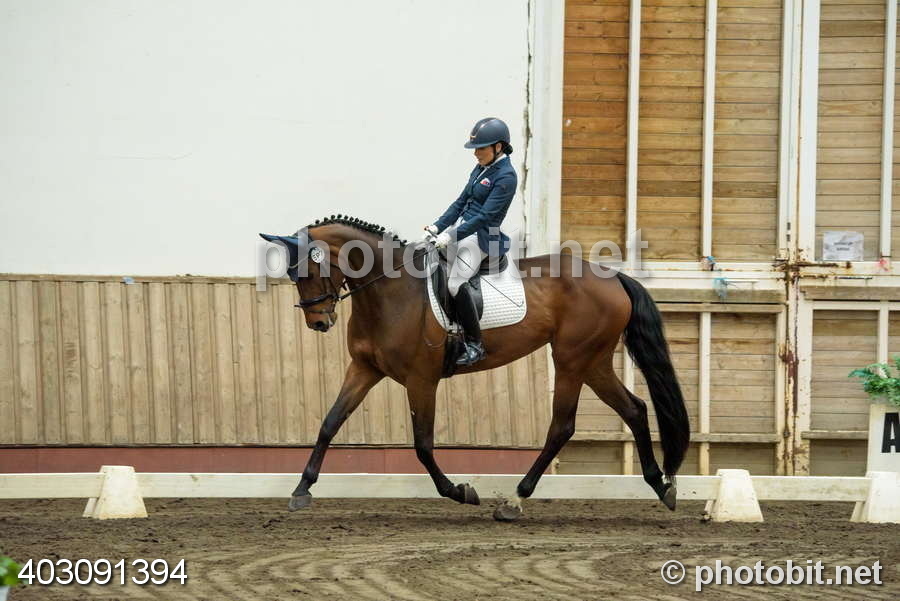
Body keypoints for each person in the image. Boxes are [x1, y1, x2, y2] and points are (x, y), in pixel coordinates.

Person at [422, 117, 518, 366]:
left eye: (480, 148)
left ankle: (475, 344)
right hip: (462, 230)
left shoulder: (507, 176)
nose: (475, 153)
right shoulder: (481, 168)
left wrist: (451, 236)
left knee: (455, 283)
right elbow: (460, 202)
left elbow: (485, 217)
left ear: (498, 147)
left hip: (482, 237)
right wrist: (437, 227)